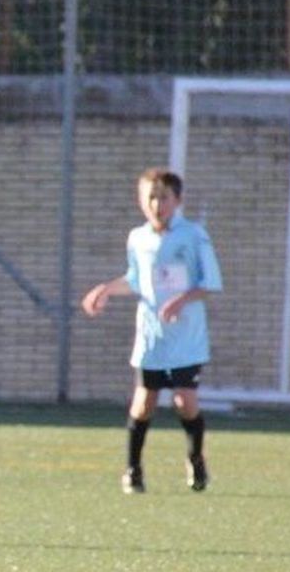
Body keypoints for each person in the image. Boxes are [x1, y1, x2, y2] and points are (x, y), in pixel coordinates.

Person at [81, 167, 223, 494]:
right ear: (141, 201)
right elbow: (136, 279)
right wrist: (103, 289)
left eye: (164, 197)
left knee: (184, 401)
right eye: (151, 197)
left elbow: (211, 282)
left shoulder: (193, 236)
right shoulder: (138, 238)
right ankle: (133, 470)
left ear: (178, 200)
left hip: (186, 336)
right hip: (151, 336)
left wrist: (181, 300)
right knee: (144, 402)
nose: (157, 204)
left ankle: (196, 459)